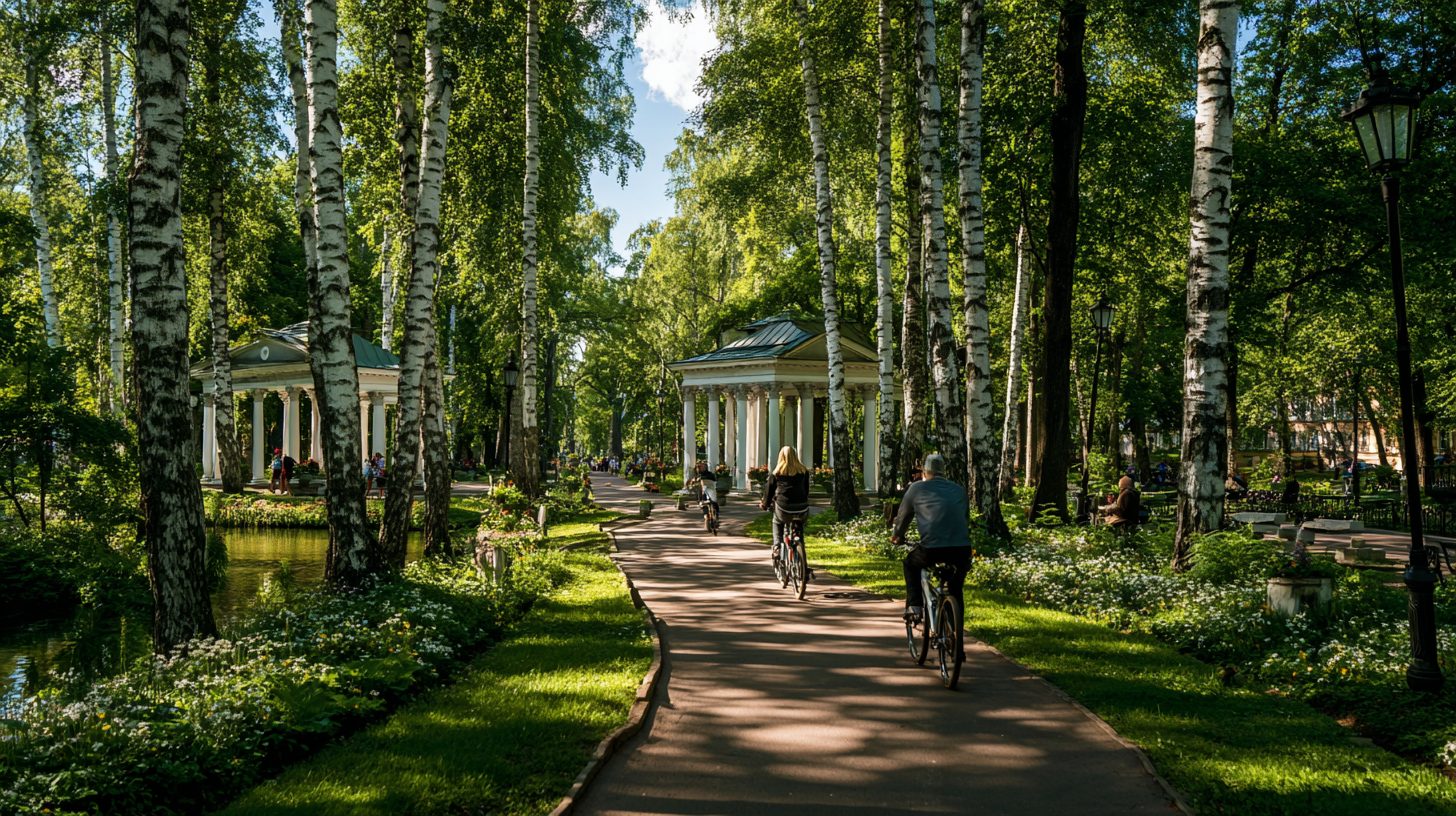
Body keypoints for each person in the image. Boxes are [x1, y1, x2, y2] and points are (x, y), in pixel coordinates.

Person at [891, 453, 971, 624]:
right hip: (962, 549)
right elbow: (964, 517)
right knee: (956, 590)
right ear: (944, 471)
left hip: (931, 549)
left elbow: (903, 516)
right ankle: (956, 638)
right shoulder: (959, 489)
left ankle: (915, 606)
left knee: (910, 564)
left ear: (925, 471)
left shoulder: (916, 488)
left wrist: (897, 536)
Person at [760, 446, 811, 557]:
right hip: (802, 509)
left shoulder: (777, 473)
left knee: (777, 521)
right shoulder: (804, 472)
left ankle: (777, 546)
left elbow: (769, 492)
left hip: (784, 509)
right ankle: (803, 561)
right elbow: (806, 490)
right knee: (799, 530)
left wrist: (765, 504)